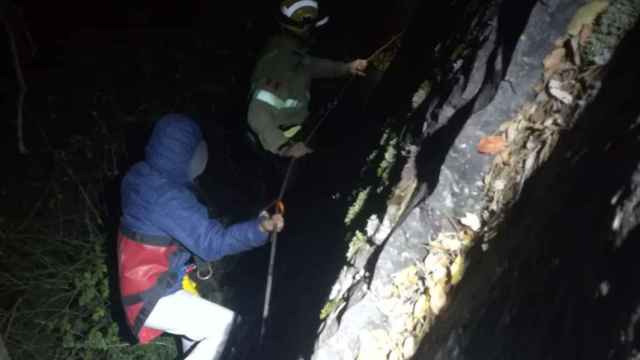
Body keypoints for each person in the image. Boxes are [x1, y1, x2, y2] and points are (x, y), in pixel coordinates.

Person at [117, 114, 284, 360]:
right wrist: (260, 229)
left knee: (199, 337)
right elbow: (211, 243)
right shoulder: (167, 196)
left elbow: (185, 227)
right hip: (153, 294)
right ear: (189, 153)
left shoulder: (142, 178)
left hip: (145, 286)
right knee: (228, 327)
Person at [247, 0, 368, 159]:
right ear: (305, 27)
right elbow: (256, 114)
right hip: (281, 145)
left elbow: (313, 66)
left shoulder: (292, 52)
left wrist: (347, 68)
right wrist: (285, 148)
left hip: (298, 128)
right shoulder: (280, 62)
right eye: (313, 27)